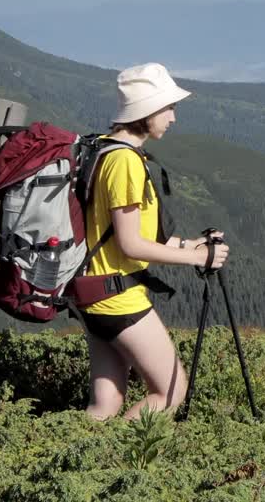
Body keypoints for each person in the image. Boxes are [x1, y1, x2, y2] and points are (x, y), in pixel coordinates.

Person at [81, 62, 231, 420]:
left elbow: (126, 236)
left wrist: (191, 245)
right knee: (170, 391)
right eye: (169, 108)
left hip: (91, 292)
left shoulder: (103, 149)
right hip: (119, 298)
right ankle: (120, 466)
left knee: (106, 403)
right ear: (146, 111)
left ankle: (80, 461)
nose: (173, 117)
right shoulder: (126, 163)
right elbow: (132, 245)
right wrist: (198, 260)